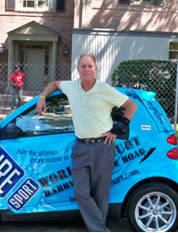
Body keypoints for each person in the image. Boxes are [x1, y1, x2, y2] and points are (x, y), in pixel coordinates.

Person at [37, 54, 137, 231]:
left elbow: (131, 106)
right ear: (78, 69)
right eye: (83, 66)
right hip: (81, 146)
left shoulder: (104, 89)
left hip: (103, 146)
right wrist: (42, 97)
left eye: (90, 66)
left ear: (95, 69)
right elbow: (53, 84)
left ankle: (97, 229)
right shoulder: (72, 86)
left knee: (101, 193)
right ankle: (100, 228)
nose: (86, 69)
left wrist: (118, 128)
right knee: (81, 192)